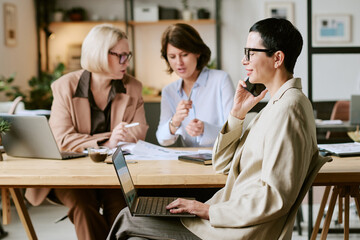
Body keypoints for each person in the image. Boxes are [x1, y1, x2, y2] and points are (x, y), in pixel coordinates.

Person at [107, 18, 326, 240]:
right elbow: (221, 164)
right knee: (133, 220)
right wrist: (236, 115)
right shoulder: (276, 105)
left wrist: (206, 210)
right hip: (227, 220)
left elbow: (275, 197)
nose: (244, 60)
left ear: (277, 58)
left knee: (128, 217)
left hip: (237, 231)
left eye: (251, 53)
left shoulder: (288, 109)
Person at [25, 24, 148, 240]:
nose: (126, 62)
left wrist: (126, 138)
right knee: (83, 206)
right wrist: (107, 142)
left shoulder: (133, 87)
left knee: (121, 208)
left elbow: (139, 132)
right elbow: (61, 138)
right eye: (120, 56)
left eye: (127, 55)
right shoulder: (65, 86)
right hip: (70, 173)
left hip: (114, 171)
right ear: (99, 54)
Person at [156, 23, 235, 147]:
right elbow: (162, 139)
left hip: (219, 159)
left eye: (184, 55)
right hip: (189, 162)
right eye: (172, 57)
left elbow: (233, 132)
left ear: (197, 52)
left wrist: (205, 129)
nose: (179, 63)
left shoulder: (221, 80)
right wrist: (175, 121)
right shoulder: (168, 91)